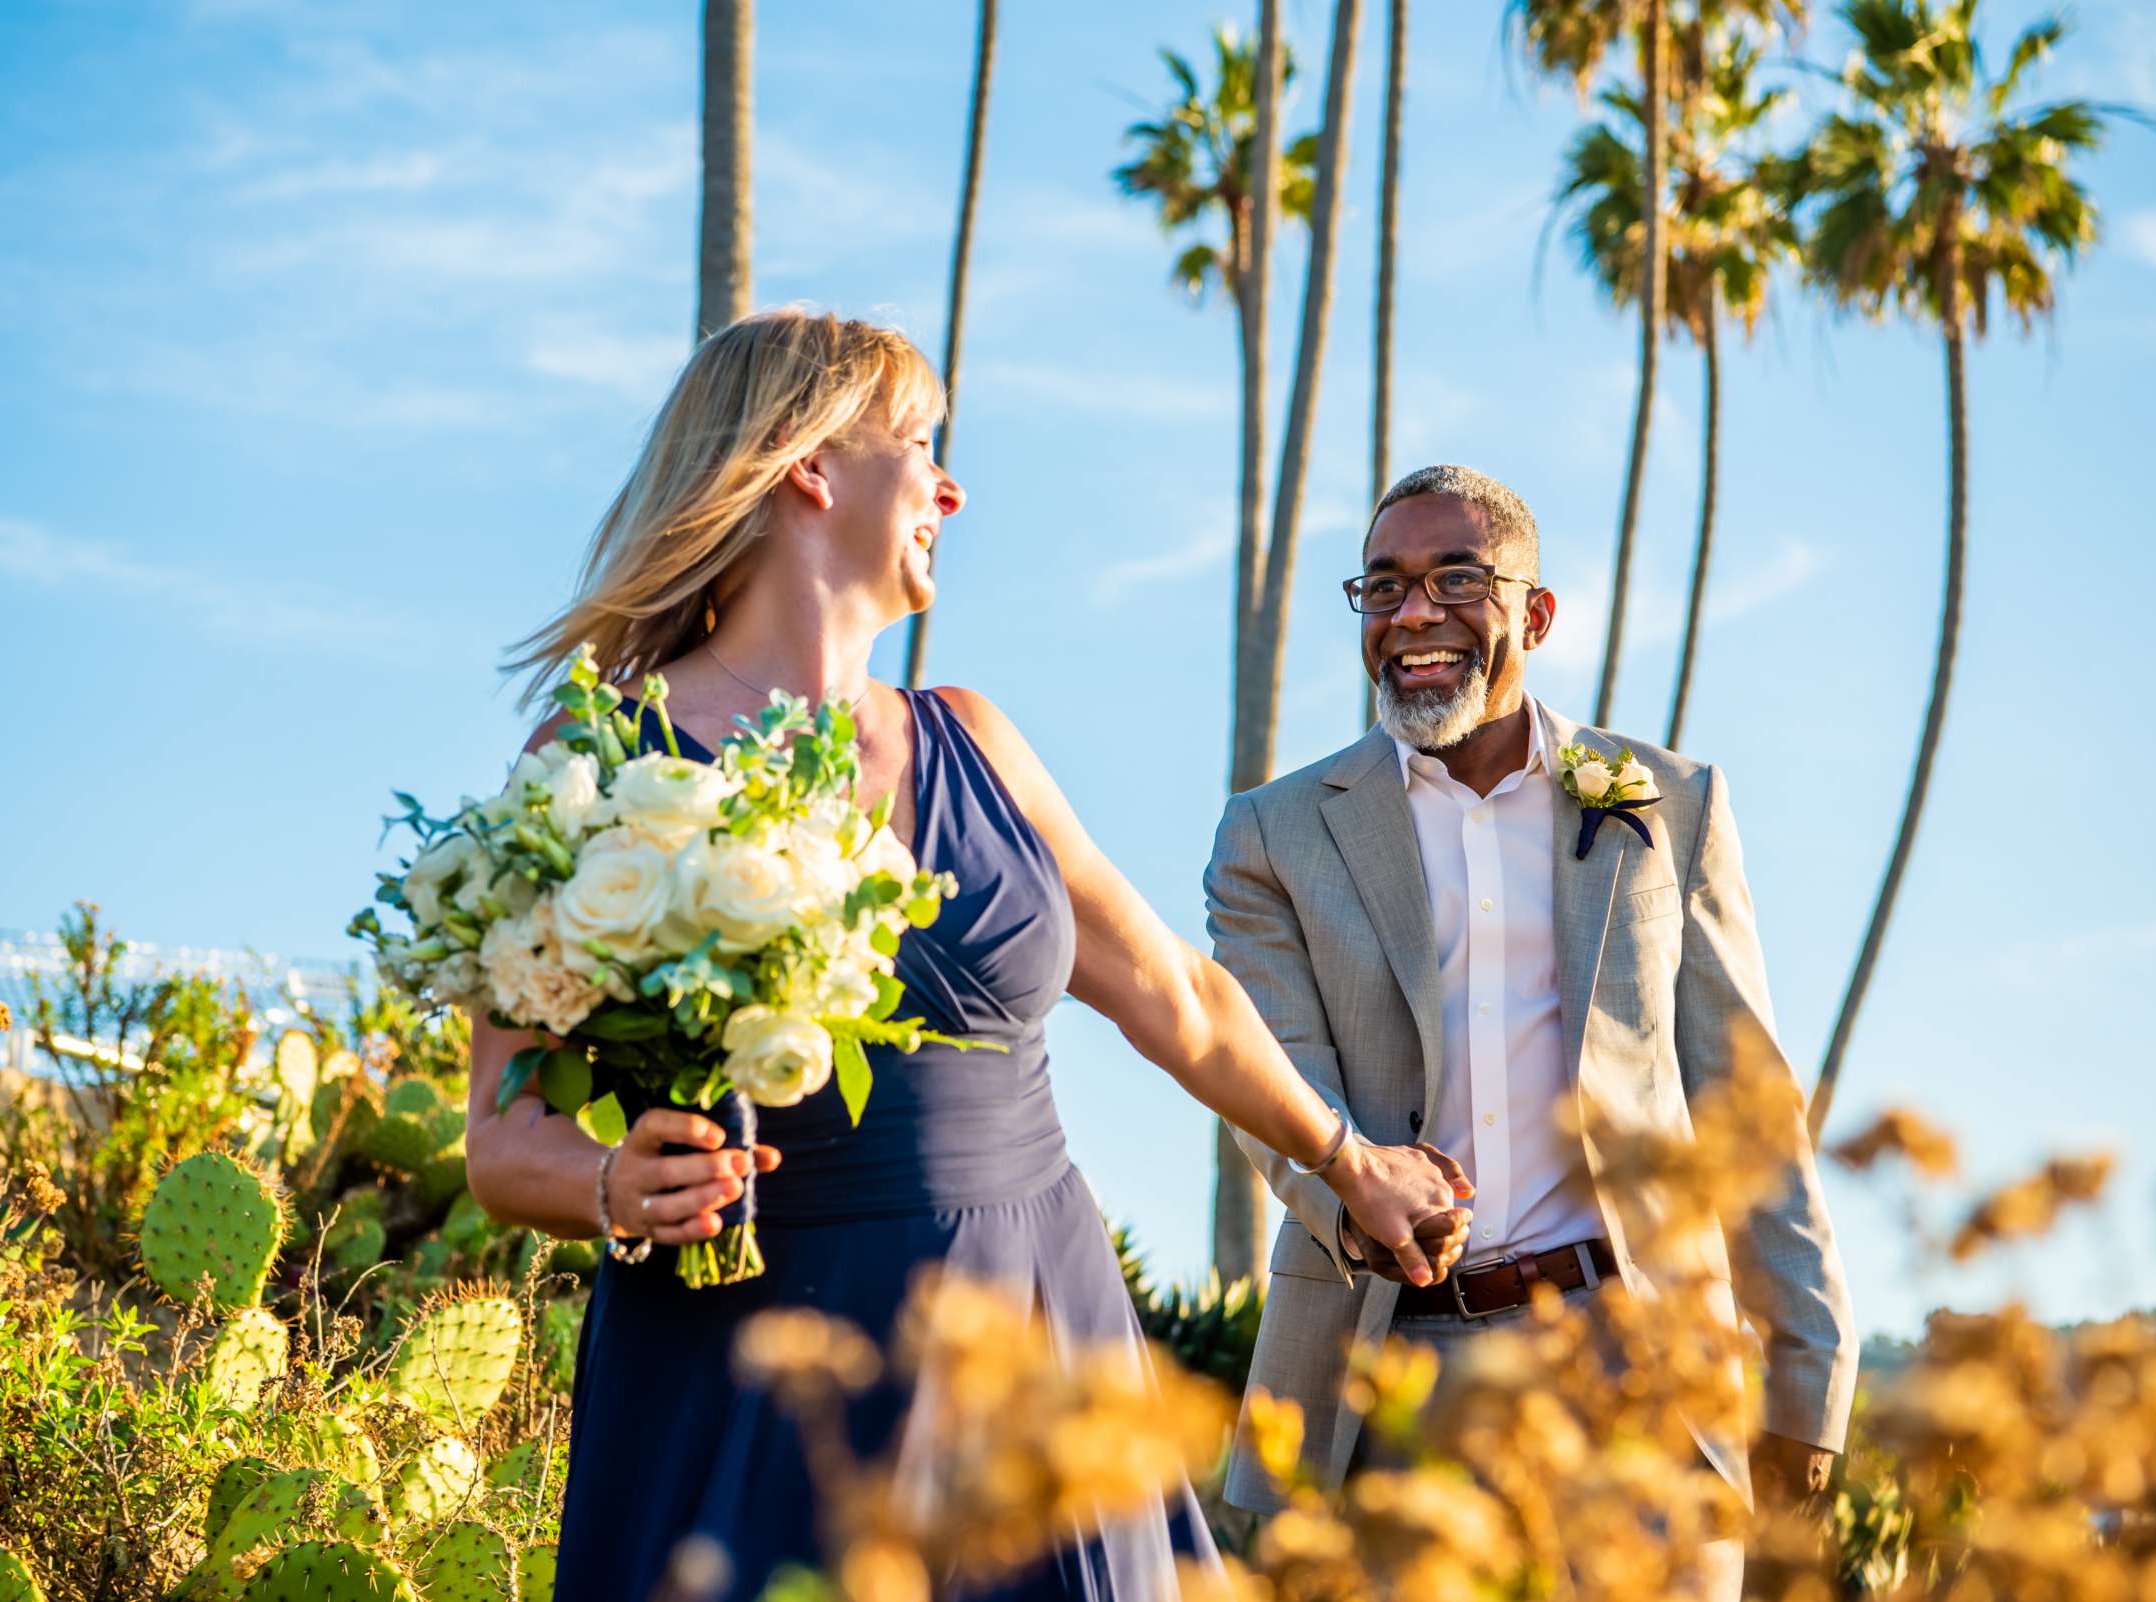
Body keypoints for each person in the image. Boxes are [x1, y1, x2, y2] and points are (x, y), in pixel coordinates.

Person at [460, 309, 1475, 1602]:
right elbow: (502, 1135)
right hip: (758, 1368)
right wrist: (609, 1181)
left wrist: (1351, 1162)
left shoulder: (975, 741)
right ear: (809, 463)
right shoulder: (593, 761)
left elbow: (1179, 999)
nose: (952, 486)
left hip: (1037, 1334)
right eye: (920, 444)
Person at [1206, 464, 1856, 1600]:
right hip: (1385, 1374)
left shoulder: (1667, 804)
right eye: (1384, 587)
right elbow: (1275, 1085)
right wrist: (1355, 1194)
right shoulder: (1272, 837)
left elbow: (1745, 1106)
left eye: (1458, 579)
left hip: (1640, 1362)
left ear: (1535, 614)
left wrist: (1809, 1373)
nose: (1414, 614)